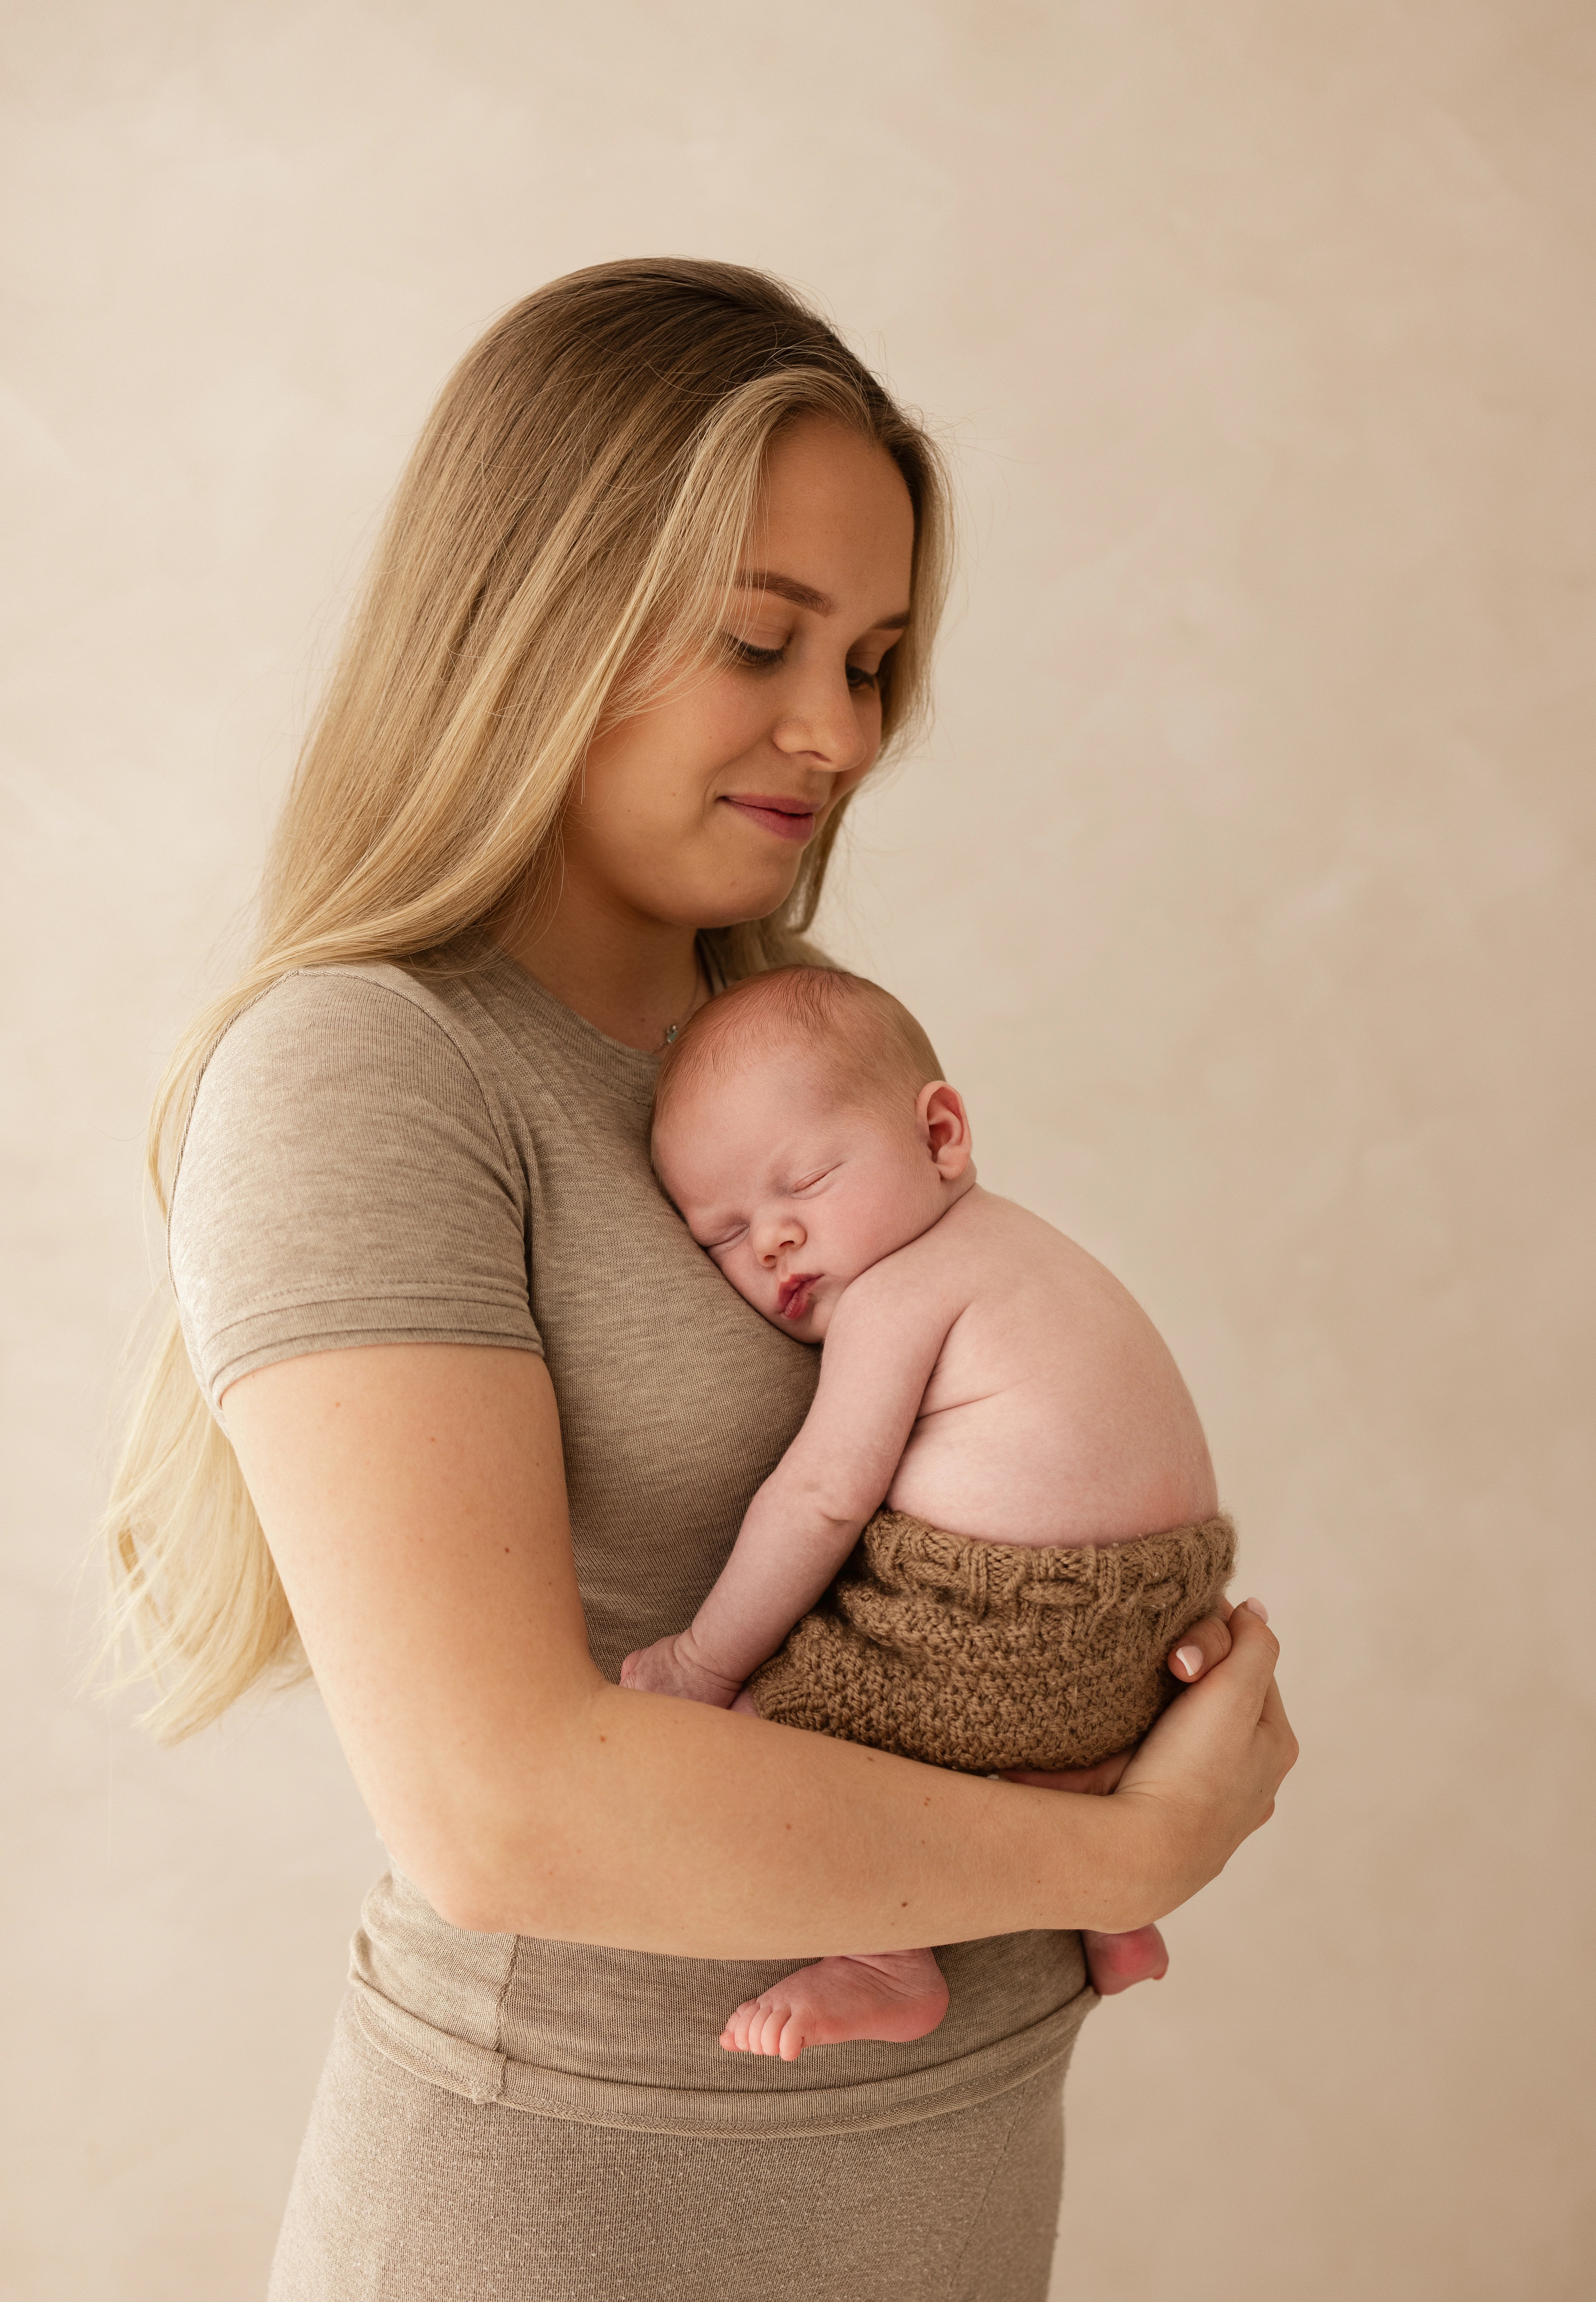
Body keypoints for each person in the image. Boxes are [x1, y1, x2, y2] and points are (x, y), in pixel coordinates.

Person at [105, 258, 1296, 2302]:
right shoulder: (365, 1068)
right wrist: (1119, 1851)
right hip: (565, 2217)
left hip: (938, 2185)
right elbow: (505, 1808)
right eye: (764, 640)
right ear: (540, 610)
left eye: (876, 659)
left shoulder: (784, 1058)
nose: (834, 731)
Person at [625, 963, 1241, 2057]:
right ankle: (1113, 1912)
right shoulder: (1032, 1251)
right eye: (721, 1232)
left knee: (780, 1748)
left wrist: (704, 1666)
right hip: (1161, 1642)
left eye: (804, 1181)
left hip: (1007, 1627)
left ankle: (883, 1961)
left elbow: (817, 1500)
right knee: (1013, 1749)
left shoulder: (902, 1290)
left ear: (941, 1133)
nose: (767, 1242)